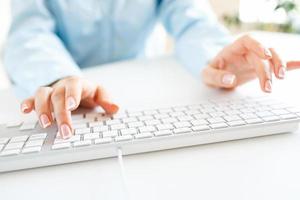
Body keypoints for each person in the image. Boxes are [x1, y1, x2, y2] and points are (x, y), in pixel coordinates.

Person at [3, 0, 298, 139]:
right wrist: (60, 78)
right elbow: (29, 33)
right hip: (72, 98)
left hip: (143, 93)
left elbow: (192, 20)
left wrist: (216, 59)